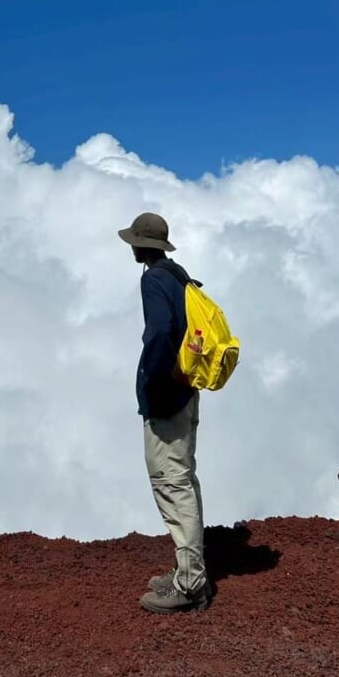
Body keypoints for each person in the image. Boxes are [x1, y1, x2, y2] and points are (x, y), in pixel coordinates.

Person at [118, 212, 213, 613]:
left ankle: (190, 586)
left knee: (171, 481)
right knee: (184, 477)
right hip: (187, 390)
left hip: (168, 396)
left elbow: (159, 332)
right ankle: (186, 568)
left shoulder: (153, 279)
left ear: (141, 246)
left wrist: (155, 384)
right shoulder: (178, 275)